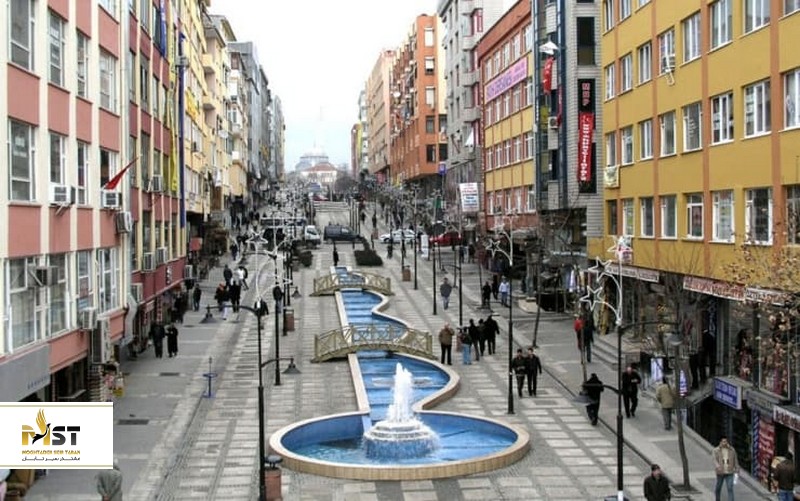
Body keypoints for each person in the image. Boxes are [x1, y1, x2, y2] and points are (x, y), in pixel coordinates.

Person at [713, 436, 739, 501]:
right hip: (720, 472)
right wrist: (717, 466)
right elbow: (714, 460)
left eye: (726, 441)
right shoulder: (716, 450)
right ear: (720, 442)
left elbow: (735, 460)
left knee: (730, 488)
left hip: (729, 472)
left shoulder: (732, 450)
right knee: (718, 488)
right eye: (723, 442)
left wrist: (737, 468)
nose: (725, 443)